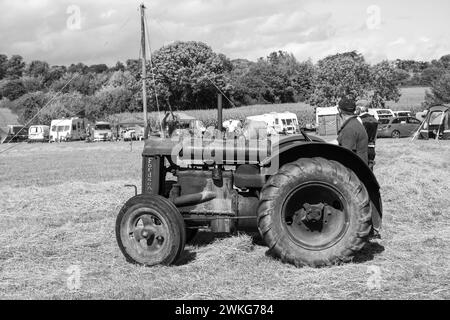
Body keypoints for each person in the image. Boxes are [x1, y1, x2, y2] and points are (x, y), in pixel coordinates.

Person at [336, 97, 369, 165]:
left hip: (355, 171)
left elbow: (345, 155)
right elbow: (338, 141)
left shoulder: (349, 129)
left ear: (339, 110)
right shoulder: (354, 123)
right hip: (361, 167)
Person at [357, 105, 378, 170]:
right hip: (372, 147)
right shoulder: (375, 119)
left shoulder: (359, 119)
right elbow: (376, 136)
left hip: (362, 149)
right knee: (370, 171)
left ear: (360, 109)